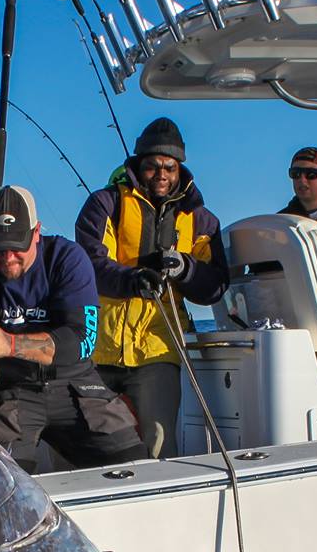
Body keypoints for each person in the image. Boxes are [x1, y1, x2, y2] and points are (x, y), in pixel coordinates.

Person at [0, 184, 146, 474]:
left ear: (37, 232)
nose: (7, 257)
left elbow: (82, 341)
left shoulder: (68, 259)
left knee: (136, 468)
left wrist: (11, 345)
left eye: (17, 246)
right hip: (9, 391)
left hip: (75, 384)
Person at [75, 117, 228, 458]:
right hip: (100, 346)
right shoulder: (105, 204)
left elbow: (216, 286)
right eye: (152, 166)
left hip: (158, 349)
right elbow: (90, 265)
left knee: (159, 441)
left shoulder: (201, 219)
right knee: (90, 443)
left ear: (180, 170)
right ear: (137, 166)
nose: (161, 174)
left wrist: (186, 269)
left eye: (169, 167)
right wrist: (134, 279)